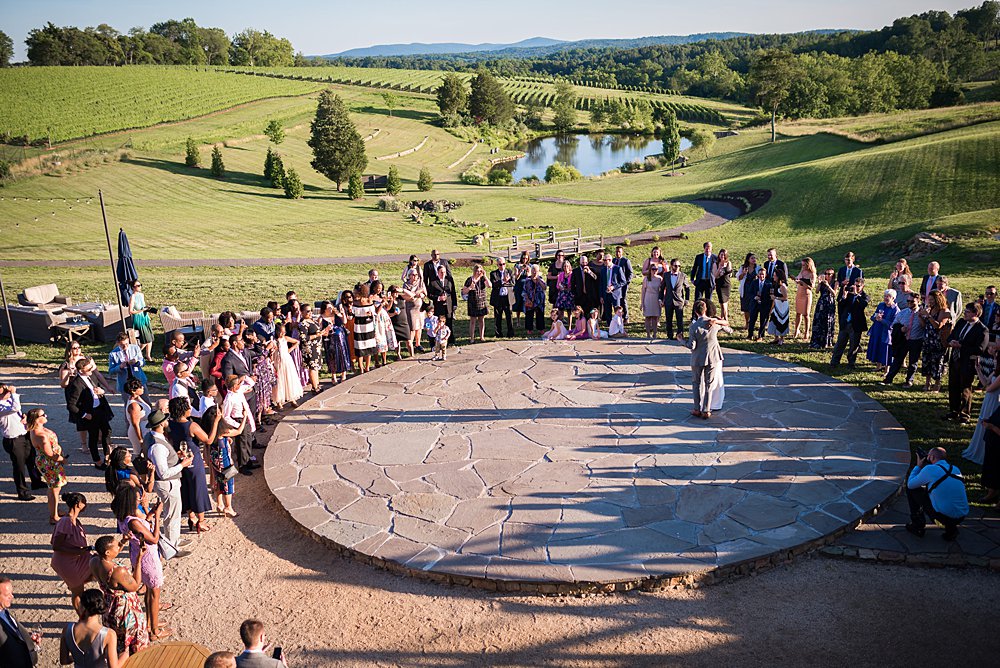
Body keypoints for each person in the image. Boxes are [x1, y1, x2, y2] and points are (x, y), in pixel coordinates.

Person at [111, 484, 169, 641]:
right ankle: (154, 631)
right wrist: (157, 516)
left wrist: (150, 512)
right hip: (148, 558)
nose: (140, 499)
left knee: (149, 591)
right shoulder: (134, 522)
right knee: (155, 593)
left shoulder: (124, 517)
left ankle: (151, 623)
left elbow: (142, 525)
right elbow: (153, 539)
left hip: (137, 555)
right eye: (137, 498)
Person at [89, 535, 148, 660]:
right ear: (107, 552)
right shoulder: (118, 571)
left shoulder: (94, 561)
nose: (119, 548)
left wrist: (122, 542)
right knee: (131, 640)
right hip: (124, 608)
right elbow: (135, 586)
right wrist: (138, 560)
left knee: (118, 642)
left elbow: (110, 556)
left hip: (109, 605)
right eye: (116, 546)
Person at [168, 397, 219, 534]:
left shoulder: (169, 424)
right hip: (193, 460)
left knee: (186, 487)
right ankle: (201, 521)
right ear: (183, 410)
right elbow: (208, 440)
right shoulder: (191, 426)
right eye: (188, 407)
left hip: (180, 460)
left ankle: (191, 517)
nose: (190, 409)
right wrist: (216, 422)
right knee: (198, 488)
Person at [146, 408, 193, 550]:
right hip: (168, 484)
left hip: (169, 483)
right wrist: (182, 464)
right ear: (161, 424)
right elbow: (163, 473)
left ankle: (175, 540)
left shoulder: (153, 437)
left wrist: (175, 457)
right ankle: (172, 547)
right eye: (165, 420)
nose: (167, 421)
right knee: (171, 515)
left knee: (174, 513)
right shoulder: (157, 445)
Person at [905, 447, 968, 541]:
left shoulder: (930, 469)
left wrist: (918, 466)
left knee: (911, 490)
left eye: (928, 455)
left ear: (932, 457)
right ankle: (951, 529)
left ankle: (917, 526)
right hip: (961, 515)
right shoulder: (955, 468)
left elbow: (910, 485)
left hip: (943, 516)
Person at [687, 300, 732, 419]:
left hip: (698, 358)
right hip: (713, 357)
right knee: (709, 384)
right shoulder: (713, 323)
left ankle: (697, 409)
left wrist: (681, 340)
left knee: (696, 383)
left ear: (695, 312)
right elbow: (729, 329)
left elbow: (691, 346)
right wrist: (717, 321)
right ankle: (706, 410)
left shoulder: (694, 326)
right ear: (705, 309)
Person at [67, 358, 115, 469]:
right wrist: (84, 415)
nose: (91, 370)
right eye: (88, 369)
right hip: (90, 413)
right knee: (93, 437)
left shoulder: (91, 375)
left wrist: (102, 391)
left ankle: (107, 456)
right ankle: (97, 461)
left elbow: (99, 387)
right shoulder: (76, 384)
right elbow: (71, 405)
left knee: (107, 432)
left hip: (100, 409)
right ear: (81, 370)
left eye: (91, 368)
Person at [946, 302, 989, 423]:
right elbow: (951, 336)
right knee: (953, 386)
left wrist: (961, 346)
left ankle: (964, 414)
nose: (964, 313)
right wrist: (951, 342)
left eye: (967, 312)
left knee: (965, 388)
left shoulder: (982, 330)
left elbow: (980, 349)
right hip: (955, 359)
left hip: (967, 362)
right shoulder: (961, 323)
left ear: (975, 314)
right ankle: (954, 411)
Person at [50, 491, 93, 612]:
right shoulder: (66, 521)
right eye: (84, 502)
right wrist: (78, 551)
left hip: (75, 560)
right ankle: (82, 616)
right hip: (67, 563)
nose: (86, 505)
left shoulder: (74, 521)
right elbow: (56, 546)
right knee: (78, 592)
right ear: (78, 504)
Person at [1, 384, 43, 500]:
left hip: (24, 435)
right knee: (19, 466)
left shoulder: (9, 401)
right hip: (13, 440)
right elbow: (14, 408)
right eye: (4, 391)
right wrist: (14, 393)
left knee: (32, 460)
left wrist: (23, 417)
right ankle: (22, 491)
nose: (7, 392)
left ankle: (36, 481)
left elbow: (16, 411)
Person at [59, 588, 120, 668]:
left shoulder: (67, 629)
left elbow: (64, 661)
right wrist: (125, 655)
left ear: (83, 607)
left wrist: (76, 658)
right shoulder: (109, 634)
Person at [27, 408, 67, 524]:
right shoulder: (40, 435)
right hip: (50, 463)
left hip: (49, 462)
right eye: (43, 415)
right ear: (37, 419)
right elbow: (50, 454)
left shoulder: (36, 429)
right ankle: (54, 516)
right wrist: (63, 460)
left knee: (54, 488)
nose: (46, 415)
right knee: (55, 489)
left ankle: (54, 510)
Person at [202, 403, 242, 518]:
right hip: (225, 462)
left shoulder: (209, 431)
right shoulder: (222, 431)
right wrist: (245, 418)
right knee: (228, 485)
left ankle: (219, 504)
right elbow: (239, 431)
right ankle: (228, 507)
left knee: (218, 482)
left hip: (215, 462)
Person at [964, 342, 1000, 468]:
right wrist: (978, 369)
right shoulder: (995, 373)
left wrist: (987, 386)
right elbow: (985, 383)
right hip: (988, 400)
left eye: (996, 359)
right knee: (982, 423)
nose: (994, 361)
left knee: (989, 423)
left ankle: (986, 453)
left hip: (995, 401)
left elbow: (989, 388)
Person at [882, 293, 925, 387]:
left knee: (913, 362)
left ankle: (909, 380)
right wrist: (900, 329)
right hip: (903, 340)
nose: (909, 303)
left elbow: (924, 326)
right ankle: (888, 379)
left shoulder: (922, 314)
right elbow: (894, 325)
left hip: (916, 340)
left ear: (918, 301)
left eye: (912, 301)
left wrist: (921, 316)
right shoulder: (903, 313)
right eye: (908, 301)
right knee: (897, 360)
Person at [0, 576, 41, 667]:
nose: (12, 596)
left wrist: (27, 639)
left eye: (12, 593)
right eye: (7, 595)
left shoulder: (4, 611)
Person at [222, 375, 258, 476]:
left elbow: (251, 383)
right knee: (241, 443)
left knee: (248, 441)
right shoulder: (229, 398)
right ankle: (243, 465)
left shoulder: (239, 391)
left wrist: (244, 377)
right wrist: (238, 425)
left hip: (245, 419)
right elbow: (226, 416)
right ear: (233, 386)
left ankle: (249, 461)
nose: (240, 384)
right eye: (238, 383)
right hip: (238, 420)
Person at [830, 279, 869, 369]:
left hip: (856, 324)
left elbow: (863, 304)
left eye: (858, 286)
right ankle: (834, 362)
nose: (856, 287)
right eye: (855, 285)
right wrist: (844, 296)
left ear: (863, 286)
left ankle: (851, 363)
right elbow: (840, 303)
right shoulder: (849, 294)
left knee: (854, 345)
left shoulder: (864, 296)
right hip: (845, 322)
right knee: (840, 343)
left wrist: (856, 294)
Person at [60, 341, 90, 454]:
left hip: (87, 391)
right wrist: (68, 374)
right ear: (69, 350)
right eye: (74, 348)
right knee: (81, 418)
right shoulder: (66, 364)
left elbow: (95, 372)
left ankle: (99, 438)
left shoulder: (85, 360)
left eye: (78, 347)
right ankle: (84, 444)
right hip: (74, 393)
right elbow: (63, 384)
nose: (77, 349)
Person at [920, 290, 952, 393]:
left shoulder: (944, 311)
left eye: (932, 300)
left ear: (938, 299)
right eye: (929, 299)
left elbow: (938, 326)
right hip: (928, 339)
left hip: (937, 340)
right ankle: (927, 382)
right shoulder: (930, 309)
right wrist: (920, 316)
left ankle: (937, 384)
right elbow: (924, 325)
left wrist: (928, 316)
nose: (930, 302)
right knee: (927, 361)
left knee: (937, 362)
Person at [865, 289, 899, 373]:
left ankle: (887, 370)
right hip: (877, 331)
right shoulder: (881, 305)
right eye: (885, 296)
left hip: (887, 334)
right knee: (878, 348)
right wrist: (875, 318)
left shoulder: (896, 310)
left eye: (888, 296)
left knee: (886, 351)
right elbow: (873, 316)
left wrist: (882, 320)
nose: (886, 298)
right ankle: (878, 366)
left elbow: (893, 325)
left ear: (893, 298)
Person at [272, 322, 304, 406]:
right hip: (278, 362)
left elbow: (297, 342)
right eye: (281, 332)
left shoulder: (285, 338)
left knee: (289, 379)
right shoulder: (274, 341)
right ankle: (279, 401)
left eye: (284, 332)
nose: (282, 334)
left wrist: (290, 349)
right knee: (280, 381)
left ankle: (292, 399)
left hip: (287, 361)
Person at [108, 332, 148, 398]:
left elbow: (143, 362)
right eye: (122, 345)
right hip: (125, 384)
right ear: (118, 343)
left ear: (128, 340)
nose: (125, 346)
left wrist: (137, 362)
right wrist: (120, 367)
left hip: (139, 380)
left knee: (146, 402)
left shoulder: (135, 348)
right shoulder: (113, 354)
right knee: (129, 405)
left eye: (127, 344)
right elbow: (111, 371)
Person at [659, 258, 689, 341]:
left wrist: (687, 299)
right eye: (676, 266)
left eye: (679, 266)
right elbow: (662, 288)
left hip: (679, 301)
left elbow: (687, 288)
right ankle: (669, 336)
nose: (677, 267)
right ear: (671, 266)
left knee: (680, 320)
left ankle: (680, 335)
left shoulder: (683, 275)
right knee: (668, 320)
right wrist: (660, 299)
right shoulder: (666, 275)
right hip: (668, 300)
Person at [428, 265, 457, 345]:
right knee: (439, 323)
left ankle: (450, 340)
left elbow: (453, 292)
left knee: (449, 322)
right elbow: (429, 294)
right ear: (437, 272)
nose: (443, 274)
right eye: (441, 272)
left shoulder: (449, 279)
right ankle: (438, 340)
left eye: (444, 272)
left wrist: (454, 304)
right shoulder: (433, 282)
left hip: (448, 305)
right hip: (439, 306)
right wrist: (438, 298)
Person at [297, 304, 323, 392]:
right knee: (312, 367)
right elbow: (303, 338)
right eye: (307, 311)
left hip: (316, 347)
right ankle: (315, 387)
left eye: (311, 310)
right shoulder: (303, 323)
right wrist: (316, 335)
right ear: (302, 312)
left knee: (316, 367)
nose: (310, 312)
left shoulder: (312, 321)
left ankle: (316, 385)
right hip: (309, 349)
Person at [462, 264, 492, 343]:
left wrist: (485, 276)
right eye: (477, 271)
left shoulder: (482, 279)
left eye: (480, 271)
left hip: (481, 302)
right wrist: (470, 288)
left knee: (481, 320)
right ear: (474, 271)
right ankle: (472, 338)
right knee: (472, 321)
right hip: (472, 302)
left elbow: (489, 286)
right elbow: (463, 291)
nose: (478, 273)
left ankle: (482, 336)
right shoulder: (469, 280)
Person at [809, 269, 837, 349]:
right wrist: (819, 283)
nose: (828, 275)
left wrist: (828, 286)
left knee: (827, 321)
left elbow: (834, 294)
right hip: (821, 302)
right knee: (818, 321)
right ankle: (817, 340)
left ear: (833, 275)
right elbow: (817, 291)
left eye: (829, 274)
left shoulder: (835, 283)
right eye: (826, 274)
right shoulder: (822, 282)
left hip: (829, 303)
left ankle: (827, 341)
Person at [127, 281, 153, 363]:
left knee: (150, 339)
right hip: (139, 319)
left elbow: (143, 306)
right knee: (146, 339)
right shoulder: (132, 297)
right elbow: (130, 311)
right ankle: (135, 352)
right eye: (137, 286)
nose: (139, 287)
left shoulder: (141, 295)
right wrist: (141, 310)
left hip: (145, 317)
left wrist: (147, 309)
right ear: (133, 288)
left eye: (140, 285)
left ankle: (148, 356)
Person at [489, 258, 515, 337]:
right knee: (498, 317)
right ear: (497, 265)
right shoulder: (493, 274)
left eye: (503, 264)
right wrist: (503, 281)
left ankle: (510, 333)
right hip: (498, 298)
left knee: (509, 316)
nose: (502, 266)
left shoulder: (509, 272)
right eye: (500, 264)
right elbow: (494, 284)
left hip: (507, 297)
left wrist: (502, 283)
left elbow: (512, 283)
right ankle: (498, 333)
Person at [597, 255, 626, 325]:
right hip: (606, 294)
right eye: (603, 260)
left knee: (617, 310)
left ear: (609, 260)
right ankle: (609, 325)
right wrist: (601, 296)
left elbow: (623, 281)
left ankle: (619, 324)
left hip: (615, 294)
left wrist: (613, 287)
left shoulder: (618, 268)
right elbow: (601, 284)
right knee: (607, 311)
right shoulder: (603, 270)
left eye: (605, 260)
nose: (603, 262)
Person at [791, 257, 815, 340]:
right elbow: (798, 279)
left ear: (809, 265)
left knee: (806, 314)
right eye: (802, 265)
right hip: (799, 293)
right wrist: (795, 279)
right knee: (798, 313)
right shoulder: (802, 271)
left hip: (806, 294)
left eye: (804, 265)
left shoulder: (812, 274)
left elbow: (811, 287)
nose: (803, 266)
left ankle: (806, 332)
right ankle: (796, 330)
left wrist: (802, 283)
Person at [745, 265, 771, 341]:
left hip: (764, 304)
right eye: (760, 274)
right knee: (752, 319)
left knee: (763, 320)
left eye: (763, 274)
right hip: (754, 304)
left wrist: (763, 299)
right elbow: (750, 292)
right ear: (757, 274)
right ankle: (750, 335)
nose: (761, 276)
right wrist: (754, 297)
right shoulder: (754, 282)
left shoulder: (769, 284)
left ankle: (760, 335)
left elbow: (770, 295)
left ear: (765, 275)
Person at [767, 268, 790, 345]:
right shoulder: (775, 285)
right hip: (776, 306)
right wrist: (771, 308)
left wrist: (776, 298)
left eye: (775, 276)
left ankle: (782, 339)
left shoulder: (782, 286)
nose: (773, 277)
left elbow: (785, 297)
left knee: (782, 321)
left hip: (782, 307)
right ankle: (776, 338)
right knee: (774, 320)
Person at [689, 241, 716, 306]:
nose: (708, 249)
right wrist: (692, 278)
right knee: (697, 300)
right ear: (704, 248)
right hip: (700, 281)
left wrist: (716, 282)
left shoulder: (715, 258)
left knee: (708, 301)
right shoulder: (699, 257)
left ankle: (708, 315)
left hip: (709, 282)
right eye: (706, 248)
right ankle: (695, 316)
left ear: (711, 248)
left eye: (709, 248)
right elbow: (695, 268)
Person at [736, 252, 758, 331]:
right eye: (752, 258)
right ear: (748, 259)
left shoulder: (758, 268)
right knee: (746, 308)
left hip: (754, 290)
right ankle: (747, 323)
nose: (754, 260)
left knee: (753, 307)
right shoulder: (743, 267)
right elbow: (738, 278)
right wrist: (743, 273)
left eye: (754, 258)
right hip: (745, 290)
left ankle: (752, 323)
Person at [612, 246, 634, 323]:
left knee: (623, 300)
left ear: (622, 252)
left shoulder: (625, 261)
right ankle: (618, 316)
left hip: (623, 284)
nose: (617, 253)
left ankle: (626, 317)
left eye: (619, 252)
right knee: (617, 300)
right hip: (615, 285)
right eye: (616, 251)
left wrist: (626, 282)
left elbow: (631, 273)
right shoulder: (613, 260)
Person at [641, 265, 663, 339]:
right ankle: (648, 334)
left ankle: (655, 334)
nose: (654, 271)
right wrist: (642, 302)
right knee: (648, 317)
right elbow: (643, 291)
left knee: (655, 317)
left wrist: (662, 300)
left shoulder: (659, 279)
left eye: (656, 269)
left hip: (656, 298)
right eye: (653, 269)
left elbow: (662, 290)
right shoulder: (646, 279)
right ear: (650, 270)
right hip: (648, 298)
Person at [711, 248, 733, 322]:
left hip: (727, 285)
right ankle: (726, 320)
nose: (722, 256)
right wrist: (720, 267)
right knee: (723, 304)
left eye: (724, 255)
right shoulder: (715, 264)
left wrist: (726, 269)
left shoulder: (728, 263)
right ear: (719, 255)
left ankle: (722, 318)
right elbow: (715, 275)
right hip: (720, 285)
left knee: (724, 304)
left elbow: (730, 273)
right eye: (721, 254)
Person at [511, 250, 532, 328]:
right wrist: (521, 270)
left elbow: (529, 276)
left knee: (527, 303)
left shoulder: (530, 265)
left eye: (526, 258)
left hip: (527, 286)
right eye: (523, 258)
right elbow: (516, 277)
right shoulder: (517, 265)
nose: (524, 260)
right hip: (519, 285)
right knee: (518, 302)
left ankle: (528, 320)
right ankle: (518, 321)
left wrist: (527, 270)